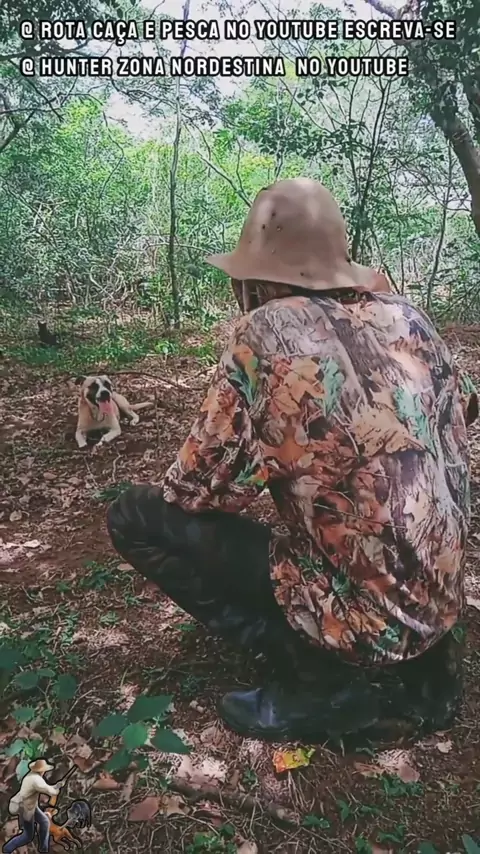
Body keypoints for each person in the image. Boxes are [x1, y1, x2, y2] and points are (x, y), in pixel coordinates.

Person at [107, 178, 478, 742]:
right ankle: (430, 674)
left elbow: (195, 488)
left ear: (256, 279)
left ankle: (318, 681)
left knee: (134, 515)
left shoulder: (263, 334)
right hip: (441, 597)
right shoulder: (411, 318)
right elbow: (464, 408)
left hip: (363, 615)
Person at [3, 757, 61, 853]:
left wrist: (56, 786)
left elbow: (46, 787)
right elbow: (50, 791)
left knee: (45, 822)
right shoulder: (35, 779)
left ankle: (43, 849)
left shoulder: (32, 776)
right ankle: (7, 848)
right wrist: (57, 789)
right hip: (26, 808)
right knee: (27, 836)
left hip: (32, 806)